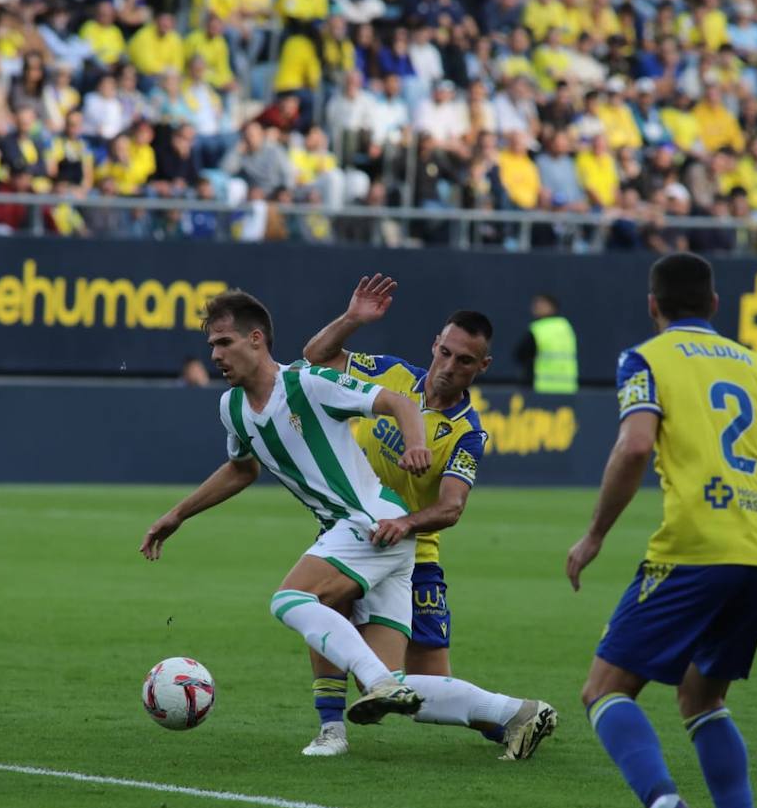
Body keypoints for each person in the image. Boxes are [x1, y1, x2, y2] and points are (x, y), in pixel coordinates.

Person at [141, 291, 555, 753]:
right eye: (211, 346)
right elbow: (242, 469)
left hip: (376, 523)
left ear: (255, 339)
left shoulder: (310, 384)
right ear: (434, 345)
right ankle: (517, 713)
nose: (214, 355)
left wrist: (415, 444)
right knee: (400, 682)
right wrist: (178, 514)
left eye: (223, 343)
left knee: (292, 600)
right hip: (373, 532)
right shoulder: (232, 408)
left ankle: (344, 717)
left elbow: (401, 405)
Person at [565, 253, 757, 808]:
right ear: (715, 305)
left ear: (653, 306)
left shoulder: (645, 358)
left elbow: (635, 444)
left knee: (604, 690)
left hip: (695, 547)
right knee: (702, 698)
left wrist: (594, 534)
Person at [298, 273, 557, 758]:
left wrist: (405, 523)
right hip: (354, 536)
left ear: (483, 366)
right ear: (434, 344)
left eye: (464, 360)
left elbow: (452, 506)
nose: (448, 366)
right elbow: (314, 359)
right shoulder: (392, 376)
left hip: (412, 557)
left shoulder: (466, 433)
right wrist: (353, 318)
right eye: (445, 352)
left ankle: (516, 717)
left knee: (416, 690)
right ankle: (331, 729)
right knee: (319, 605)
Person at [514, 293, 578, 394]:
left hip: (541, 389)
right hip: (568, 389)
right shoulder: (566, 326)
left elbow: (520, 354)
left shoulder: (538, 329)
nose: (536, 308)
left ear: (552, 307)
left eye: (541, 304)